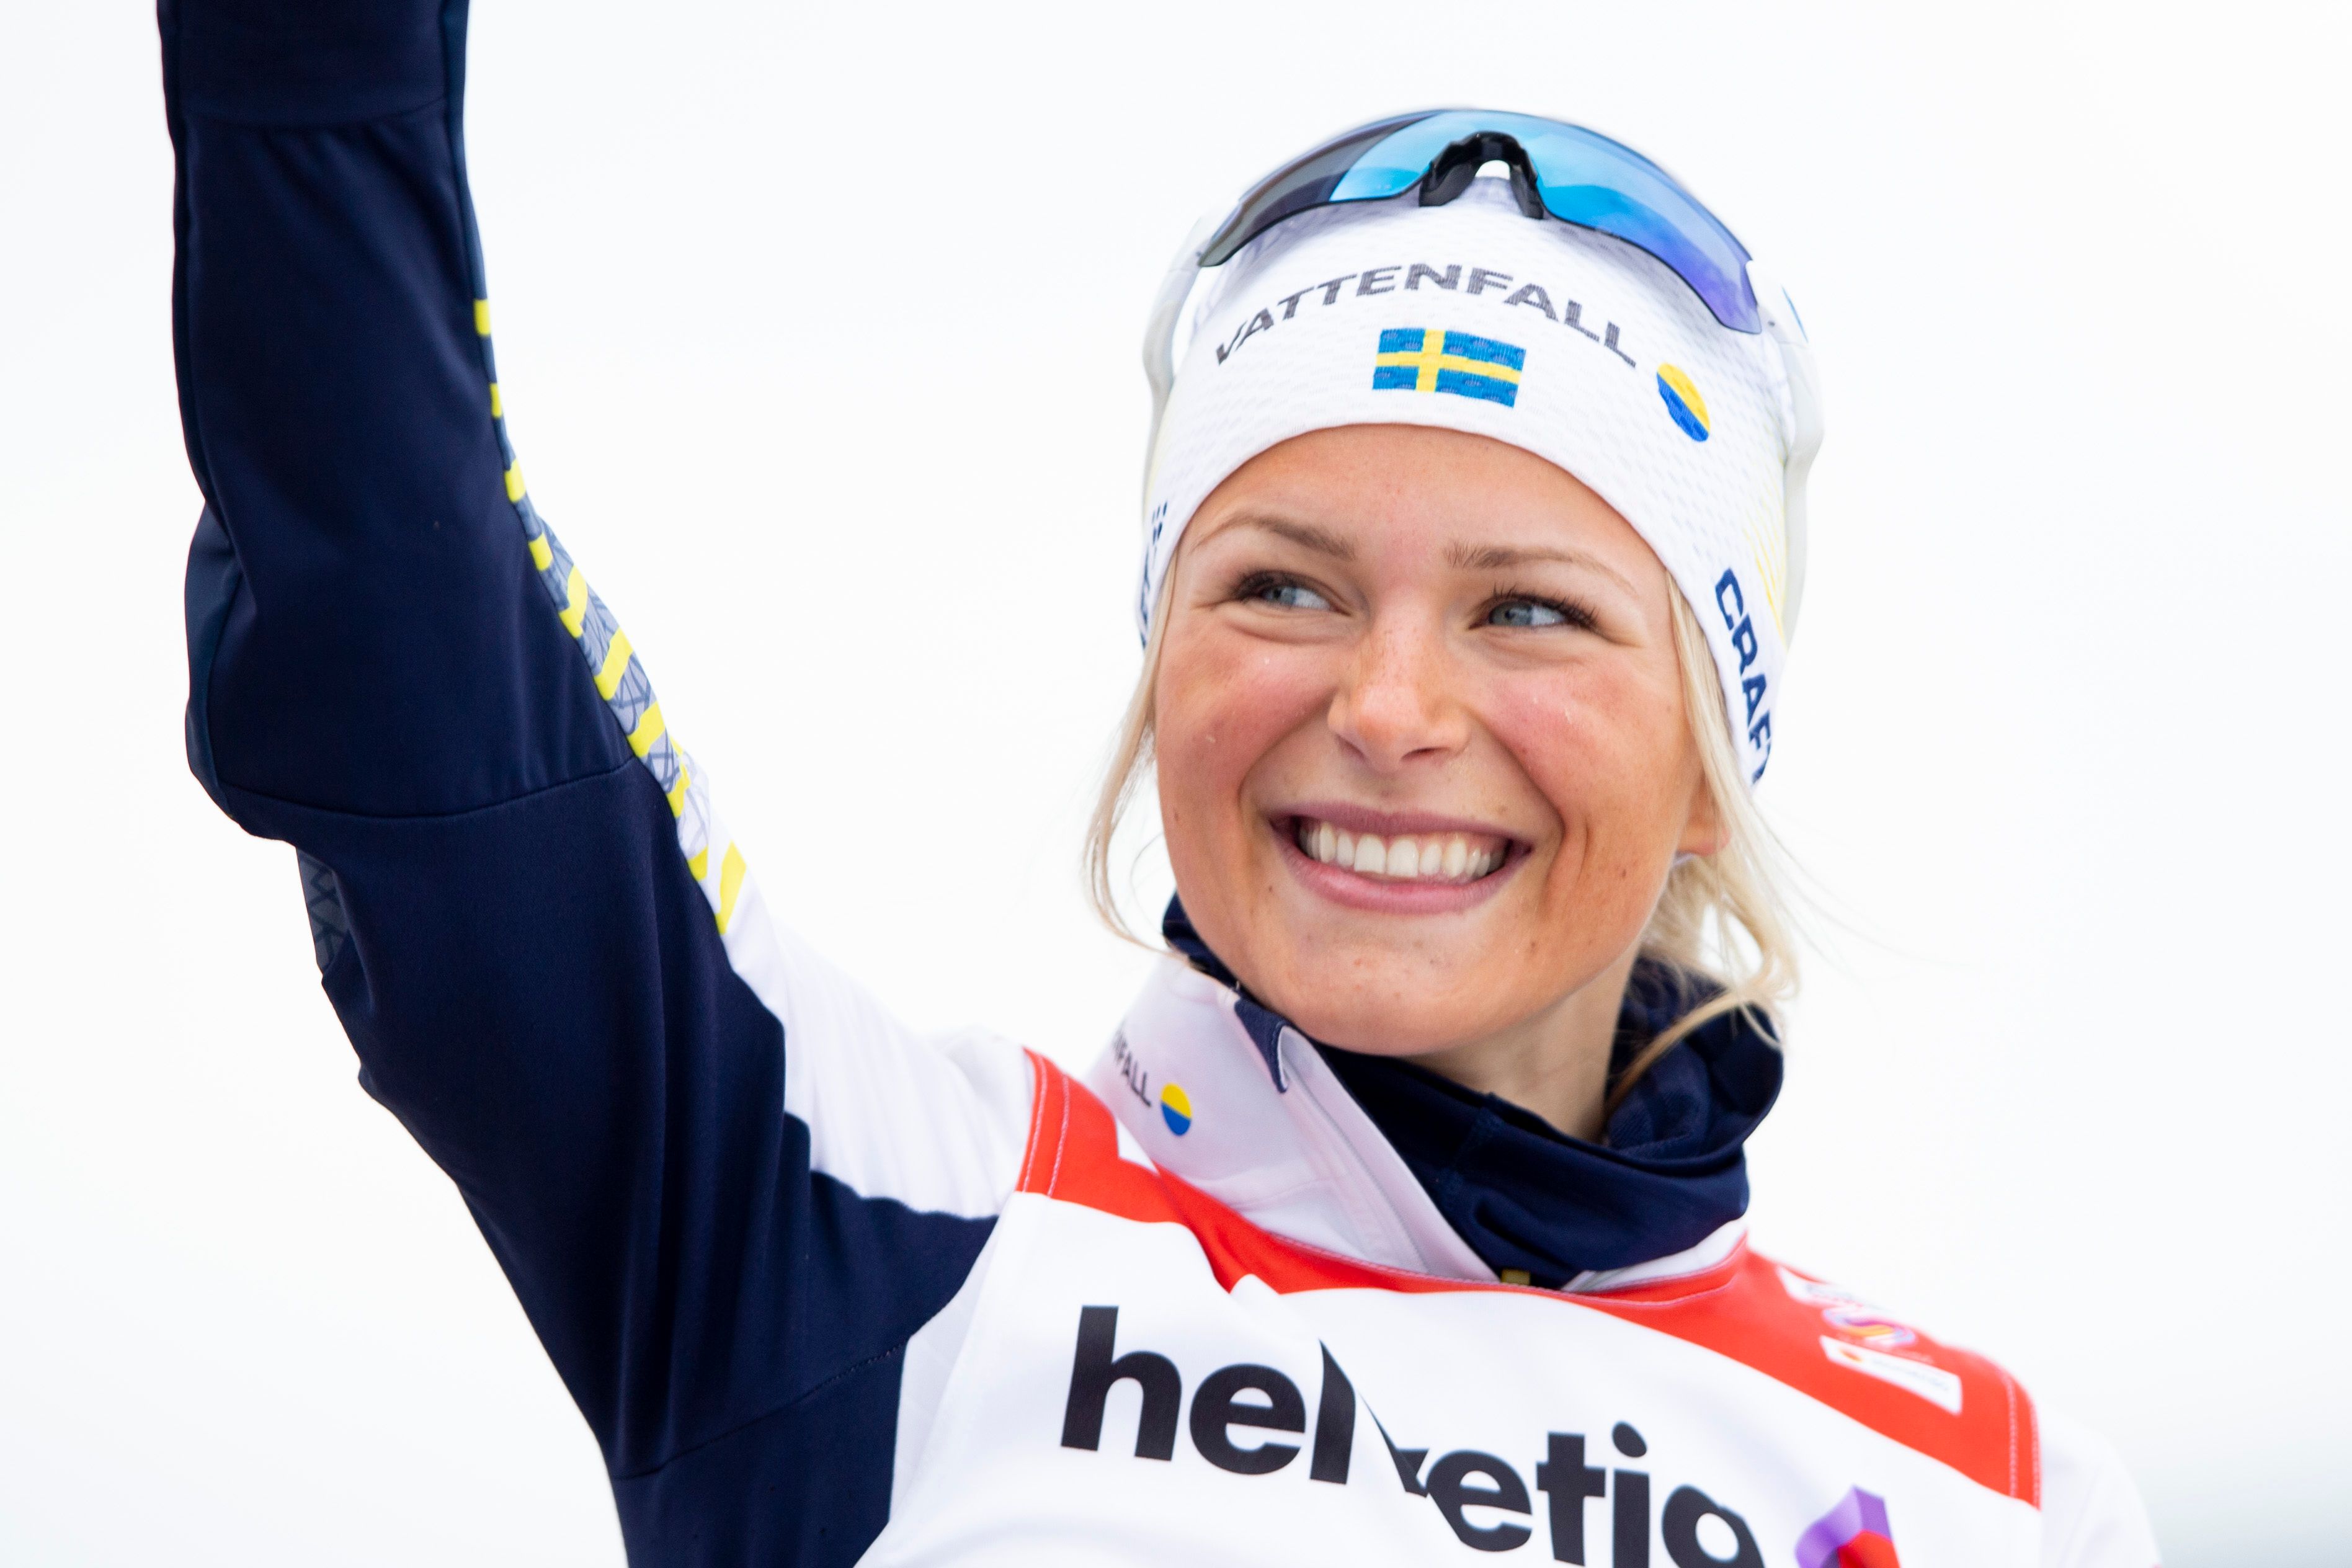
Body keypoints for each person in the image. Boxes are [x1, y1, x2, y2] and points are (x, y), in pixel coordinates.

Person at [158, 4, 2160, 1565]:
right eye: (1282, 586)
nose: (1388, 705)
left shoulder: (1992, 1495)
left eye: (1531, 614)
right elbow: (397, 603)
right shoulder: (862, 1208)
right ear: (1160, 656)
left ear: (1715, 760)